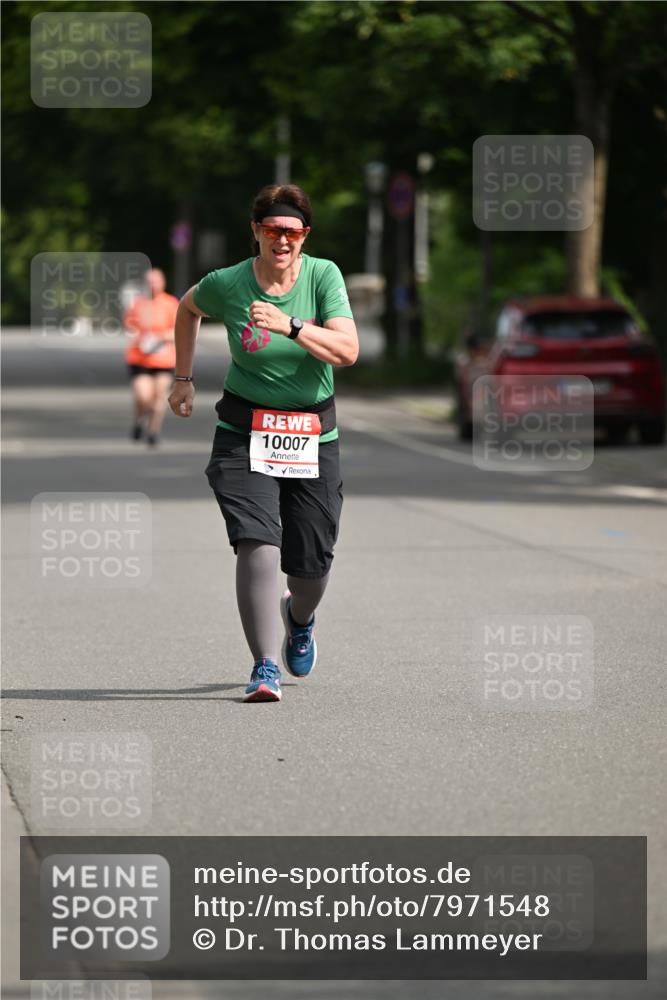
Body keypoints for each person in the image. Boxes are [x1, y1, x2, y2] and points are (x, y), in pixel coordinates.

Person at [168, 184, 358, 702]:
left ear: (304, 237)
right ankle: (265, 666)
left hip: (312, 434)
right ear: (256, 232)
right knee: (257, 541)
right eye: (272, 230)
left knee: (310, 568)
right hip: (244, 431)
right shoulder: (228, 283)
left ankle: (300, 618)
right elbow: (187, 310)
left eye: (291, 232)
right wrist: (182, 378)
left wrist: (291, 325)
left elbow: (347, 350)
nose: (282, 240)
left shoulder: (323, 276)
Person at [124, 268, 179, 446]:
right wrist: (138, 337)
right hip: (140, 359)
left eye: (156, 281)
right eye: (149, 281)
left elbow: (178, 331)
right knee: (143, 395)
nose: (153, 285)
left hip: (164, 359)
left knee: (158, 396)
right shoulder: (138, 304)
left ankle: (153, 431)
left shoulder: (171, 304)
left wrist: (161, 337)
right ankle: (140, 418)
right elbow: (129, 327)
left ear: (163, 282)